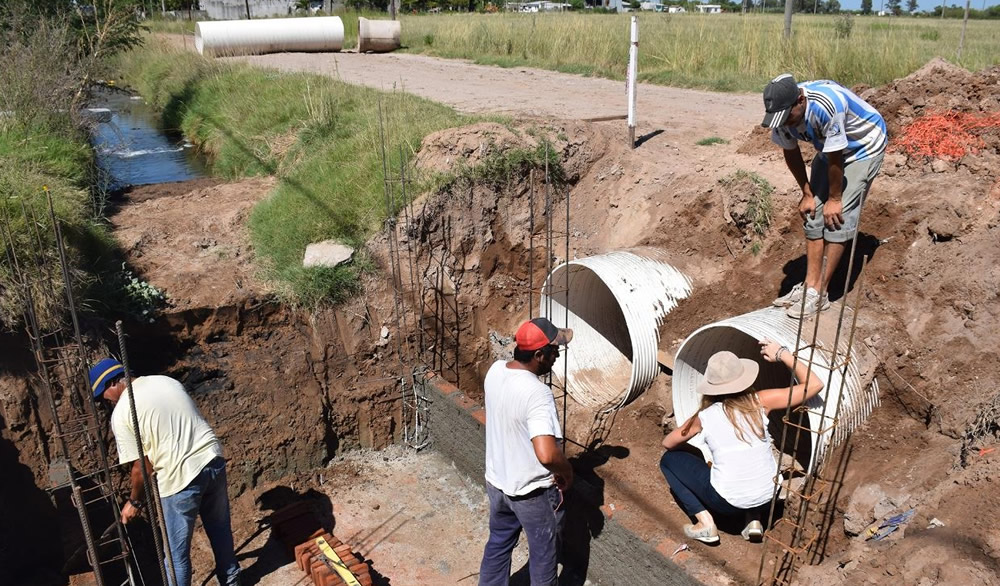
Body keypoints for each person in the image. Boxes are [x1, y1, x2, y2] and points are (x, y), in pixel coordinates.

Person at [89, 358, 241, 586]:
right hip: (212, 459)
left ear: (111, 384)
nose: (106, 402)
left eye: (103, 397)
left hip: (180, 478)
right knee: (219, 529)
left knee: (175, 557)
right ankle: (232, 581)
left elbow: (142, 466)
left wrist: (135, 502)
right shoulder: (165, 381)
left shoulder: (121, 413)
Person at [659, 341, 823, 544]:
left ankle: (705, 523)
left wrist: (694, 449)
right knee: (752, 462)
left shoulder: (704, 417)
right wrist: (782, 354)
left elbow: (668, 443)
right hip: (769, 497)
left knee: (668, 460)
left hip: (727, 504)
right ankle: (754, 520)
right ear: (744, 378)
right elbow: (815, 385)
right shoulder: (761, 401)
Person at [762, 73, 887, 318]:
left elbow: (836, 157)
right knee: (812, 215)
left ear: (800, 100)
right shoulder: (783, 114)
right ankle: (809, 287)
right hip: (830, 149)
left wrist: (835, 200)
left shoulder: (827, 106)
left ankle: (820, 293)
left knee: (836, 218)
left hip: (863, 147)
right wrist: (807, 193)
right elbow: (791, 152)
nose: (785, 123)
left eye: (788, 117)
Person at [479, 317, 574, 586]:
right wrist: (567, 471)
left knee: (498, 545)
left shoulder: (496, 371)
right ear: (539, 355)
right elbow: (546, 454)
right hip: (531, 493)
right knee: (544, 558)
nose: (557, 356)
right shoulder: (537, 393)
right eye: (555, 351)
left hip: (497, 482)